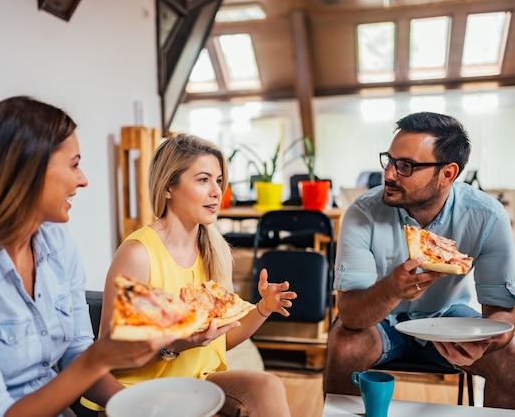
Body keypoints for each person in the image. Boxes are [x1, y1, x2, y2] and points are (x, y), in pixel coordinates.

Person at [0, 96, 173, 417]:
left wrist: (141, 407)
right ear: (29, 170)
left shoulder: (58, 245)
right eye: (74, 164)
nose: (83, 179)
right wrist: (102, 357)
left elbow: (76, 352)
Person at [92, 134, 296, 416]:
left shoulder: (214, 249)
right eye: (203, 180)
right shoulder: (138, 254)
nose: (217, 191)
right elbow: (110, 357)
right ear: (168, 188)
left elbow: (221, 338)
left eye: (218, 180)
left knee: (267, 386)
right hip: (140, 393)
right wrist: (175, 345)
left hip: (198, 384)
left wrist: (263, 308)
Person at [323, 112, 515, 408]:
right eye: (389, 160)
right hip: (378, 323)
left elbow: (502, 313)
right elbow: (350, 315)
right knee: (344, 344)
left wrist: (486, 343)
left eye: (406, 166)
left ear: (448, 174)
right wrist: (391, 289)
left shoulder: (487, 216)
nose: (388, 174)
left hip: (449, 318)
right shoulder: (361, 213)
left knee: (510, 355)